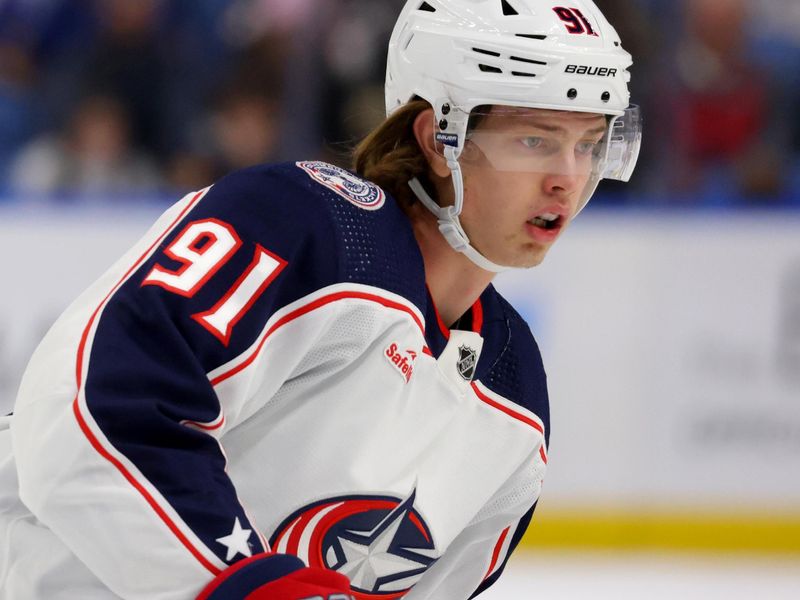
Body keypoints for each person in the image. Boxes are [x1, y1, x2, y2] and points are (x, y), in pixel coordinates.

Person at [0, 0, 641, 598]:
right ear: (437, 140)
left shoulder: (515, 394)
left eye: (587, 144)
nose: (568, 177)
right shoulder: (304, 226)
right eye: (536, 140)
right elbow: (93, 416)